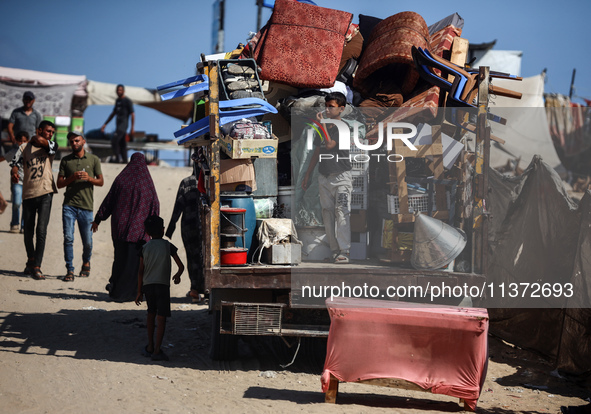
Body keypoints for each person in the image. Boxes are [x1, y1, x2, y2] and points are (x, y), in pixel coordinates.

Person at [92, 152, 159, 301]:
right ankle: (133, 293)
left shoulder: (121, 179)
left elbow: (109, 201)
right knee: (135, 263)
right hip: (139, 232)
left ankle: (116, 290)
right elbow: (155, 205)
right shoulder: (147, 183)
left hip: (119, 230)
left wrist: (98, 219)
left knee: (120, 259)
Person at [302, 92, 352, 264]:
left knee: (342, 213)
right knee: (328, 214)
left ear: (341, 109)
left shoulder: (343, 127)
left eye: (331, 106)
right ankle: (335, 251)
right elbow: (318, 151)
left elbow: (330, 145)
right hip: (324, 176)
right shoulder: (325, 127)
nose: (327, 109)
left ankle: (344, 251)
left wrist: (322, 124)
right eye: (327, 105)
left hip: (341, 177)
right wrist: (308, 174)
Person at [9, 120, 58, 279]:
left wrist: (37, 138)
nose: (50, 134)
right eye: (48, 131)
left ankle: (37, 265)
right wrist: (14, 173)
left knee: (41, 230)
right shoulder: (23, 147)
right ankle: (30, 259)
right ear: (39, 130)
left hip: (46, 192)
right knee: (28, 231)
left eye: (52, 132)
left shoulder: (51, 146)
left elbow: (41, 141)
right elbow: (14, 163)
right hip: (29, 192)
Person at [135, 215, 184, 361]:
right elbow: (181, 266)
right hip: (163, 286)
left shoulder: (144, 248)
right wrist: (177, 275)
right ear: (163, 230)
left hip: (148, 286)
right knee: (161, 318)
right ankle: (157, 350)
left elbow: (140, 272)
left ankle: (150, 346)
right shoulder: (168, 246)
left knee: (151, 314)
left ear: (147, 232)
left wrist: (139, 291)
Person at [57, 132, 104, 282]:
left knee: (87, 241)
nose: (74, 143)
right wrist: (72, 178)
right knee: (68, 238)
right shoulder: (65, 160)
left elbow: (101, 181)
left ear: (83, 141)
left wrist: (89, 178)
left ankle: (86, 262)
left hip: (86, 206)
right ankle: (69, 270)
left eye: (77, 140)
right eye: (71, 142)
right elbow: (59, 184)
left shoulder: (94, 159)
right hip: (69, 206)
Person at [165, 150, 205, 303]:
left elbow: (178, 206)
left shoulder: (186, 182)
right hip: (206, 227)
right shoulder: (212, 181)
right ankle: (206, 288)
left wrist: (171, 227)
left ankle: (195, 288)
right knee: (205, 257)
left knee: (192, 257)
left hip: (189, 227)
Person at [0, 131, 29, 232]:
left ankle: (24, 225)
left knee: (27, 204)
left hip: (29, 183)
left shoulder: (31, 152)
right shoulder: (13, 152)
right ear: (16, 141)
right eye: (20, 141)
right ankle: (15, 224)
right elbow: (3, 158)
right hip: (16, 181)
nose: (22, 143)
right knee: (16, 203)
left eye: (25, 141)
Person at [101, 84, 134, 163]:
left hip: (123, 125)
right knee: (122, 143)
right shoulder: (118, 101)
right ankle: (125, 161)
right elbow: (113, 113)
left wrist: (132, 128)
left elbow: (132, 114)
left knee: (115, 141)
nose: (119, 91)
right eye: (118, 90)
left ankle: (117, 159)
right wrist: (105, 124)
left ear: (123, 91)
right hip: (118, 125)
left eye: (120, 90)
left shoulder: (127, 101)